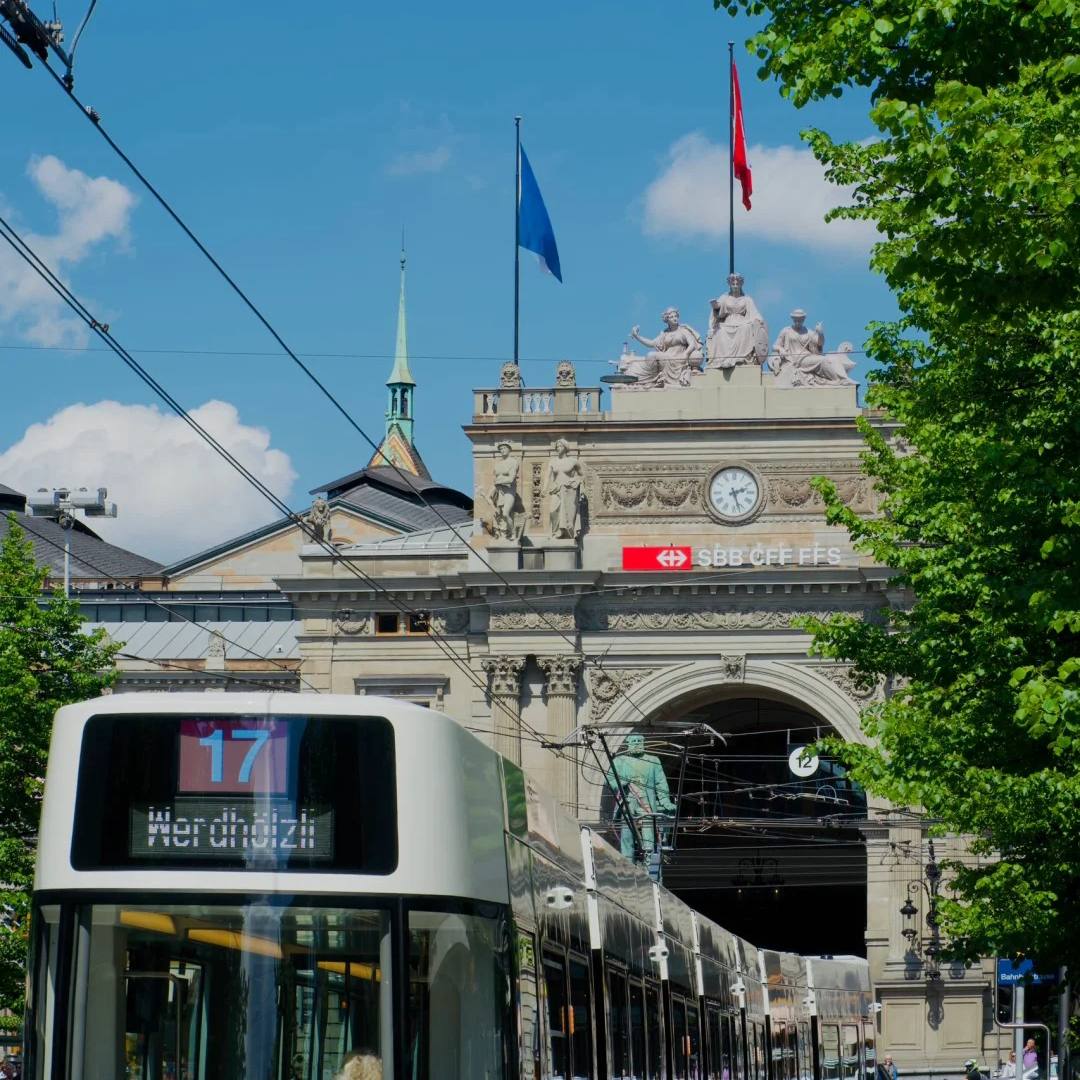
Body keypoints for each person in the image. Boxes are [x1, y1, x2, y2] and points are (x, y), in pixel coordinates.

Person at [604, 733, 677, 860]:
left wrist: (665, 801)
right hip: (628, 804)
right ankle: (628, 863)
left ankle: (649, 863)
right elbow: (609, 781)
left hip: (647, 805)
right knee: (627, 837)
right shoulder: (619, 761)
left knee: (649, 838)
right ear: (628, 744)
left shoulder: (653, 760)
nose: (637, 743)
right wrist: (623, 783)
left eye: (639, 741)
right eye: (634, 741)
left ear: (643, 743)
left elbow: (661, 783)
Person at [630, 307, 705, 387]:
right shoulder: (665, 333)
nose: (675, 318)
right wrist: (637, 336)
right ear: (667, 320)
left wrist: (685, 354)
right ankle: (651, 379)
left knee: (652, 355)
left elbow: (692, 344)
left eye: (676, 316)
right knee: (650, 355)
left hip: (679, 358)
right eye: (671, 317)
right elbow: (652, 343)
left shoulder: (683, 330)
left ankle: (651, 379)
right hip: (667, 357)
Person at [707, 272, 768, 368]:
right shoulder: (724, 297)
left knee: (746, 328)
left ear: (740, 284)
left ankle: (741, 358)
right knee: (720, 330)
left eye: (737, 283)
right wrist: (715, 306)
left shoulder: (747, 299)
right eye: (733, 283)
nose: (735, 285)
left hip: (742, 322)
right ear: (730, 285)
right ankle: (723, 359)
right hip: (728, 322)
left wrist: (759, 321)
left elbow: (755, 313)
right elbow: (718, 307)